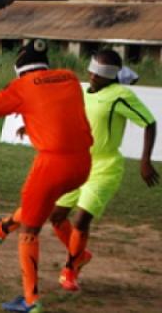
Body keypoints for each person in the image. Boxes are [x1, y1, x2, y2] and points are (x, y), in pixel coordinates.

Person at [0, 39, 92, 313]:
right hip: (83, 163)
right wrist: (34, 126)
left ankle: (31, 300)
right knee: (39, 207)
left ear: (19, 69)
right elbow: (59, 111)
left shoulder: (21, 86)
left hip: (52, 164)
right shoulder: (70, 78)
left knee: (31, 230)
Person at [50, 49, 157, 291]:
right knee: (56, 216)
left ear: (112, 76)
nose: (93, 73)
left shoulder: (120, 95)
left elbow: (150, 122)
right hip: (77, 163)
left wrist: (145, 161)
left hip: (104, 167)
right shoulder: (82, 91)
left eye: (101, 71)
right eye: (92, 68)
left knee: (81, 219)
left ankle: (70, 268)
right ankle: (81, 255)